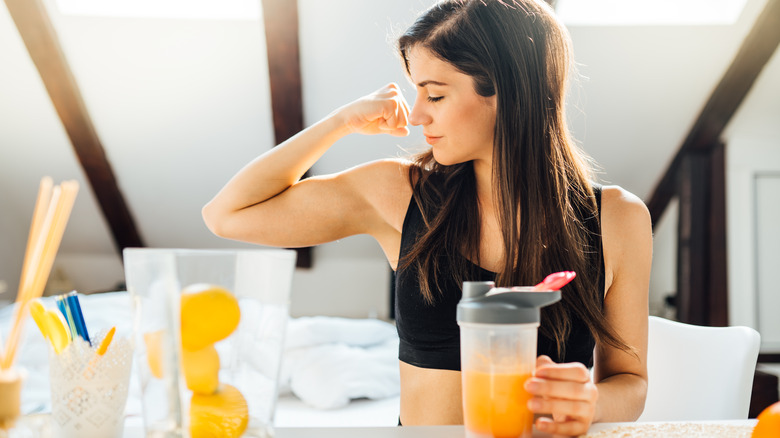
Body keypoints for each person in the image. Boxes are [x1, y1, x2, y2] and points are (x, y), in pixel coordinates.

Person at [202, 0, 651, 435]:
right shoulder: (397, 195)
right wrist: (340, 122)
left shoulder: (617, 219)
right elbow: (228, 214)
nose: (416, 115)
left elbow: (630, 382)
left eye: (434, 94)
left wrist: (590, 404)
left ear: (508, 91)